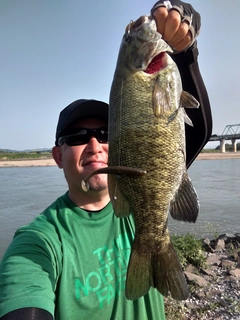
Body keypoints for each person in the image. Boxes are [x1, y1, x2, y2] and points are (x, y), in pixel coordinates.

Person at [0, 1, 212, 319]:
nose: (94, 144)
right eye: (76, 137)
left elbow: (201, 129)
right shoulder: (39, 242)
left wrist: (185, 49)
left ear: (118, 143)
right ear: (57, 156)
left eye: (103, 132)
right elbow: (24, 293)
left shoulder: (133, 204)